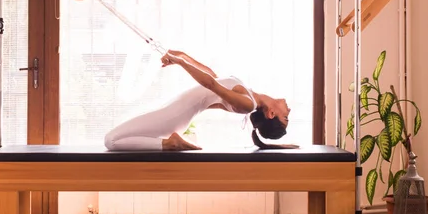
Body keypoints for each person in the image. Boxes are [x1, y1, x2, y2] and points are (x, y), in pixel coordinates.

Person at [104, 50, 297, 151]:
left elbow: (211, 84)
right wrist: (182, 56)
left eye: (286, 117)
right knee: (114, 139)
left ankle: (170, 144)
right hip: (173, 112)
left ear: (271, 114)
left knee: (111, 141)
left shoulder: (248, 105)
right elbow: (213, 77)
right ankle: (169, 143)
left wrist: (181, 62)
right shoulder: (249, 95)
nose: (289, 111)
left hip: (173, 116)